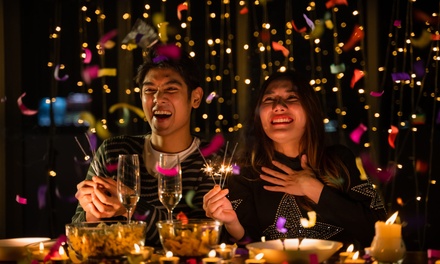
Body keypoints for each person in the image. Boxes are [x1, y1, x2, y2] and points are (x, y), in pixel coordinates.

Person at [203, 70, 387, 249]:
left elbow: (378, 231)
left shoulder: (341, 160)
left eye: (291, 98)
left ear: (310, 110)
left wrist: (315, 189)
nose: (278, 106)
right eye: (269, 99)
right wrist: (232, 224)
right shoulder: (245, 172)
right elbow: (247, 248)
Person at [72, 44, 217, 247]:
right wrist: (91, 214)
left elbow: (200, 240)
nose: (158, 99)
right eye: (149, 90)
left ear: (195, 97)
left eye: (171, 89)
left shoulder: (212, 160)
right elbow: (77, 234)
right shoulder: (114, 152)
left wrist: (129, 207)